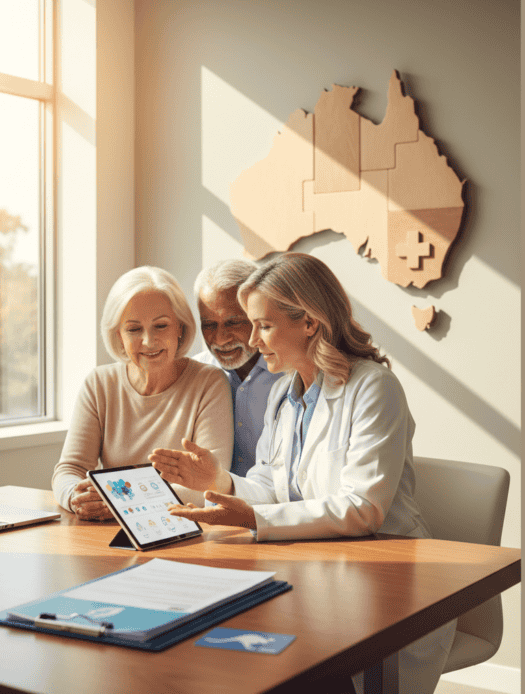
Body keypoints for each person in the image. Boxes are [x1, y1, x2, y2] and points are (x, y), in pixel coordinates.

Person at [149, 252, 455, 694]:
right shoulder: (286, 395)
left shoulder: (373, 387)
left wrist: (253, 519)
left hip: (385, 580)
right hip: (318, 568)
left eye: (264, 325)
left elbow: (363, 508)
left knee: (293, 670)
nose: (252, 340)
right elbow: (275, 486)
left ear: (309, 322)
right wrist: (218, 482)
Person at [52, 266, 233, 520]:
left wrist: (118, 500)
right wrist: (75, 497)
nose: (148, 341)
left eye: (160, 326)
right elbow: (70, 469)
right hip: (109, 530)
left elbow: (210, 482)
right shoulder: (99, 383)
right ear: (119, 335)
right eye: (134, 329)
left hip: (182, 530)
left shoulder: (209, 382)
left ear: (180, 328)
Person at [192, 259, 282, 476]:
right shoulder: (195, 374)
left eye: (233, 322)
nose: (220, 339)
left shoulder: (291, 372)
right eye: (209, 325)